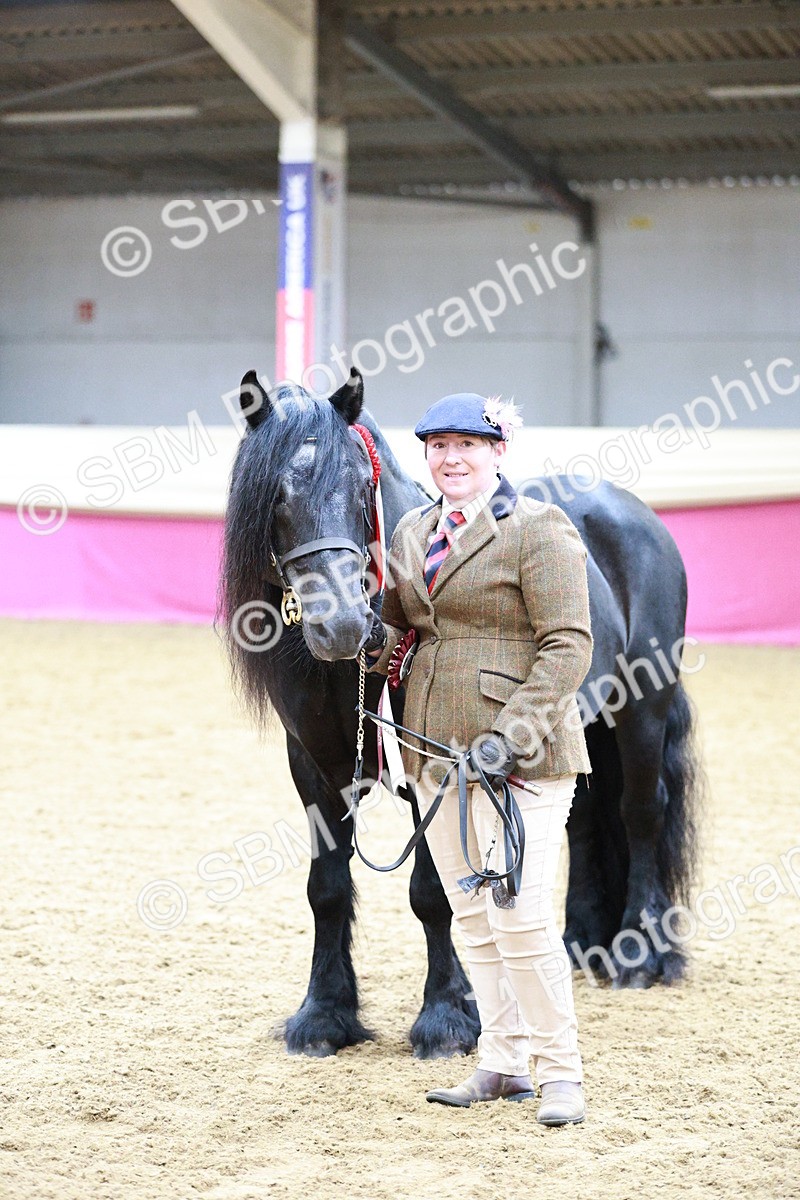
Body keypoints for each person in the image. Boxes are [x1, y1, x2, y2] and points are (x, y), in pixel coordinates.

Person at [363, 391, 593, 1126]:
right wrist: (347, 628)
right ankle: (502, 1063)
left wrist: (512, 734)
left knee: (521, 917)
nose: (450, 458)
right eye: (437, 446)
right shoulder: (411, 529)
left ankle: (561, 1075)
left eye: (467, 445)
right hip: (431, 752)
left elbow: (568, 644)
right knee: (473, 918)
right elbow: (399, 625)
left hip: (520, 758)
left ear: (498, 452)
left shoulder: (537, 528)